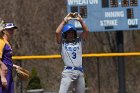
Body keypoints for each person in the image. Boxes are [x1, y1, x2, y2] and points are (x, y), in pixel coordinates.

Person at [56, 13, 89, 93]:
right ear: (65, 34)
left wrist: (81, 21)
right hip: (68, 72)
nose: (70, 34)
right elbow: (57, 32)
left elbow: (86, 31)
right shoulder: (62, 43)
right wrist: (64, 21)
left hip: (79, 71)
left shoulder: (79, 41)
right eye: (68, 33)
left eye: (72, 32)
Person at [0, 22, 20, 93]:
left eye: (13, 29)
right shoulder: (1, 42)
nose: (12, 31)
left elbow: (4, 60)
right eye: (9, 29)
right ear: (4, 30)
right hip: (3, 74)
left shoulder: (7, 42)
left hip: (9, 72)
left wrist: (14, 66)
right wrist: (2, 77)